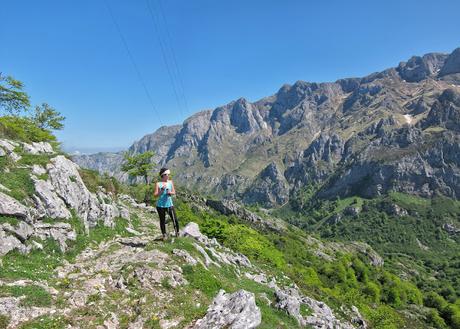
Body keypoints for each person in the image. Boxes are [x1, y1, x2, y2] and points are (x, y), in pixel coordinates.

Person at [154, 167, 179, 240]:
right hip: (160, 205)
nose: (168, 175)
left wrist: (170, 192)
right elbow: (155, 195)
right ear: (163, 175)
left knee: (175, 219)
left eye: (168, 174)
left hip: (169, 204)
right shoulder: (158, 184)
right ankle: (164, 235)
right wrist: (161, 191)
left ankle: (177, 233)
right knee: (162, 220)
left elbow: (174, 192)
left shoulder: (170, 182)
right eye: (167, 174)